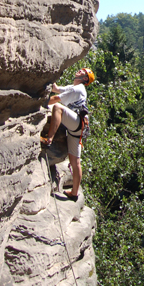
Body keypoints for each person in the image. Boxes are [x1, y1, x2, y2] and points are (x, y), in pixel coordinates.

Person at [41, 67, 95, 201]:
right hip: (78, 128)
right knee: (75, 161)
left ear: (85, 79)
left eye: (83, 71)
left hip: (76, 123)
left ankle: (49, 139)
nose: (80, 70)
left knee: (58, 108)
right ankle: (74, 193)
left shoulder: (78, 89)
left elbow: (55, 98)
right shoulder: (74, 87)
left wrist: (39, 104)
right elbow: (56, 89)